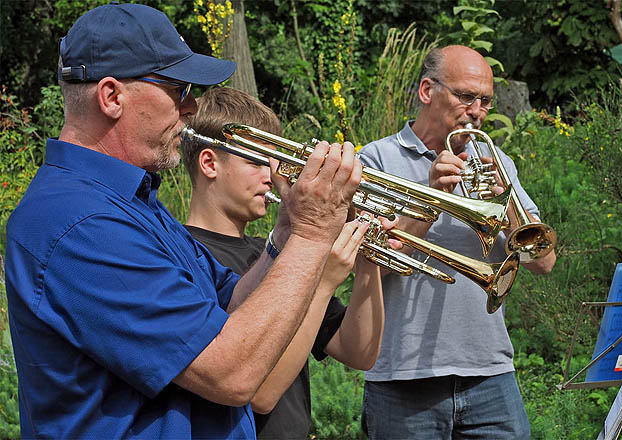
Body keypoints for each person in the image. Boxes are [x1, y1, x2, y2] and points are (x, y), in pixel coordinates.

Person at [3, 3, 363, 439]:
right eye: (179, 89)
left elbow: (231, 305)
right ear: (112, 96)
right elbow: (232, 374)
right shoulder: (78, 222)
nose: (192, 106)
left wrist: (286, 232)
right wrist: (311, 234)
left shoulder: (130, 200)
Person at [357, 45, 557, 439]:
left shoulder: (495, 160)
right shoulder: (375, 159)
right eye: (466, 96)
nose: (478, 111)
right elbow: (372, 261)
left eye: (485, 100)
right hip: (404, 377)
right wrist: (429, 198)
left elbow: (543, 262)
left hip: (490, 373)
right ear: (427, 90)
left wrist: (507, 209)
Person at [181, 87, 385, 439]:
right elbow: (259, 394)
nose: (272, 176)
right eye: (257, 161)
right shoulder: (183, 256)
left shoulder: (275, 252)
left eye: (274, 163)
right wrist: (323, 284)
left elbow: (359, 352)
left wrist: (369, 254)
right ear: (210, 163)